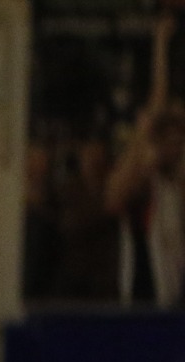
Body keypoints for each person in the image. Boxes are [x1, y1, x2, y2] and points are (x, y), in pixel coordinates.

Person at [105, 13, 185, 307]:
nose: (174, 145)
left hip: (173, 301)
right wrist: (160, 46)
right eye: (168, 137)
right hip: (142, 301)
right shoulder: (140, 178)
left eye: (179, 139)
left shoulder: (174, 184)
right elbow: (156, 105)